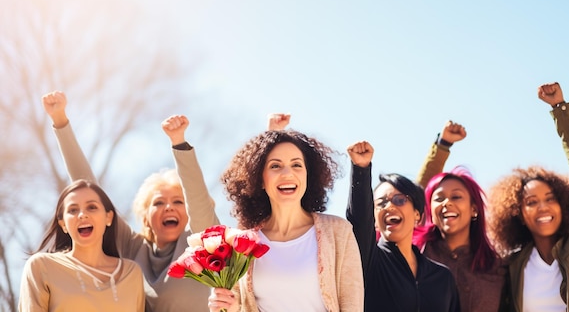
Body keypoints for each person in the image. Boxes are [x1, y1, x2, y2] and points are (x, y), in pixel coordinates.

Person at [42, 91, 220, 312]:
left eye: (178, 202)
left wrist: (179, 143)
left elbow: (199, 202)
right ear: (145, 215)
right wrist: (60, 120)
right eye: (158, 203)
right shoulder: (131, 247)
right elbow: (87, 190)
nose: (169, 207)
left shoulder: (200, 243)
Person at [488, 82, 569, 312]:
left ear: (562, 205)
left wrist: (560, 108)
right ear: (518, 214)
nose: (543, 207)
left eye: (550, 199)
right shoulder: (512, 266)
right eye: (531, 202)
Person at [208, 128, 364, 312]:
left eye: (297, 165)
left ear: (308, 174)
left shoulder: (338, 231)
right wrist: (226, 307)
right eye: (275, 166)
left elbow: (352, 304)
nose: (287, 173)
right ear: (260, 179)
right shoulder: (240, 244)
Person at [346, 140, 460, 312]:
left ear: (417, 214)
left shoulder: (442, 277)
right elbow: (359, 221)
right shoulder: (370, 262)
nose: (389, 207)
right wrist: (361, 169)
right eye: (381, 203)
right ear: (375, 220)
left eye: (400, 200)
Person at [413, 121, 507, 312]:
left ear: (474, 209)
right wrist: (442, 145)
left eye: (456, 196)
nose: (447, 203)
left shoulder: (497, 266)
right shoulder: (416, 254)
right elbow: (416, 194)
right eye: (438, 198)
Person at [19, 180, 145, 311]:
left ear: (109, 217)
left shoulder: (132, 272)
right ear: (63, 224)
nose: (82, 215)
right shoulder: (41, 266)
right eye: (73, 210)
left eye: (92, 207)